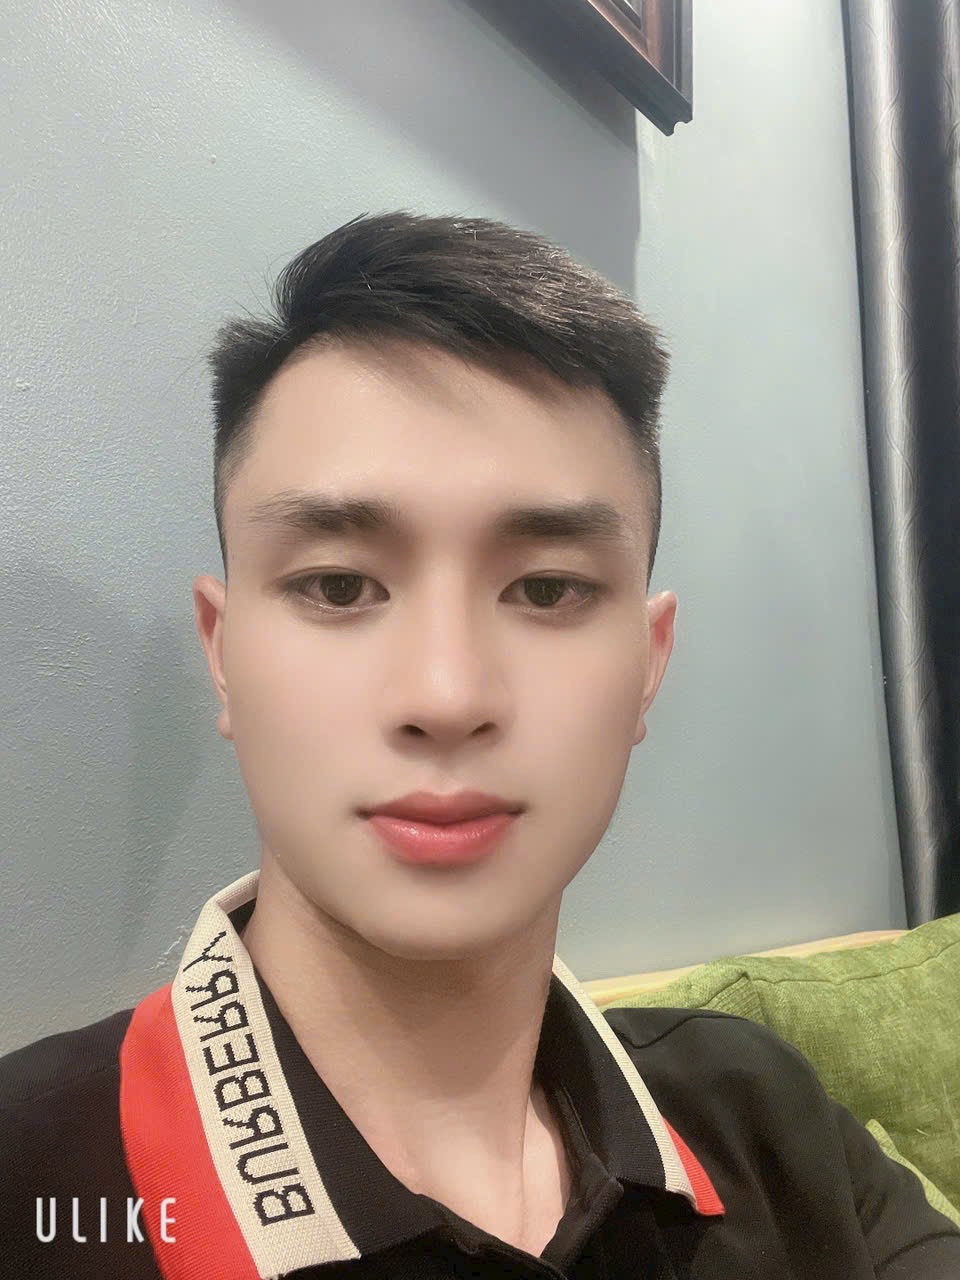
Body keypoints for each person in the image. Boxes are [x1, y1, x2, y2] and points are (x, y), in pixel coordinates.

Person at [1, 210, 957, 1280]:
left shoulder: (769, 1117)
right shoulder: (28, 1188)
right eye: (338, 585)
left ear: (648, 665)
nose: (446, 695)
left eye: (546, 590)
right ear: (222, 654)